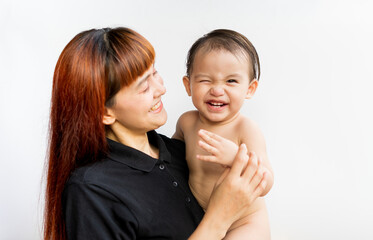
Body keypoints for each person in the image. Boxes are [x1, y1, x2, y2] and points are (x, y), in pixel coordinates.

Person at [43, 27, 268, 240]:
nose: (161, 89)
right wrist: (219, 218)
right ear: (105, 112)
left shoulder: (182, 151)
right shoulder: (92, 190)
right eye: (144, 86)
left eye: (155, 73)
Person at [173, 29, 274, 239]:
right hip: (203, 218)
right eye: (205, 80)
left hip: (244, 222)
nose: (217, 90)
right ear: (188, 85)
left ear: (250, 89)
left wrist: (236, 158)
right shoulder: (187, 122)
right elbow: (171, 159)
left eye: (231, 81)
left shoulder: (245, 129)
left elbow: (266, 181)